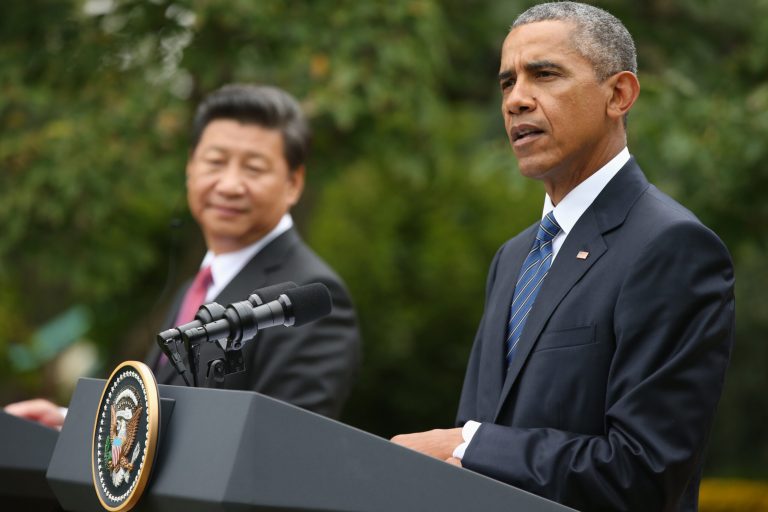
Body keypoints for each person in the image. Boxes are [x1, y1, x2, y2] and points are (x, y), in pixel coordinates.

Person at [391, 3, 734, 511]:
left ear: (618, 95)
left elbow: (643, 471)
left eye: (544, 75)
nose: (516, 100)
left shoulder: (672, 246)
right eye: (507, 82)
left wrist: (468, 444)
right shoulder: (513, 258)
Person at [6, 84, 361, 424]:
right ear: (191, 167)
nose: (229, 185)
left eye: (253, 168)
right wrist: (70, 423)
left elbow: (282, 444)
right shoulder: (195, 289)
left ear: (294, 183)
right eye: (216, 161)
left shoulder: (307, 297)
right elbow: (161, 411)